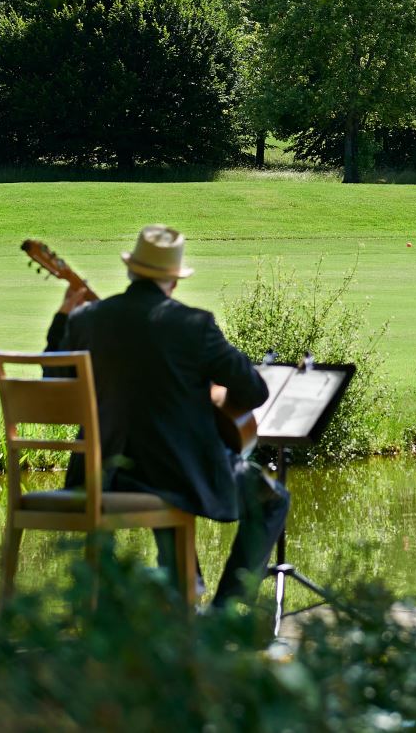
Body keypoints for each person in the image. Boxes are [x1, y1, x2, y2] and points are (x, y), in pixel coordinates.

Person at [45, 224, 290, 607]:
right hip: (174, 476)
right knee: (272, 499)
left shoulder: (85, 320)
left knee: (162, 468)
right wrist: (214, 388)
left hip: (98, 476)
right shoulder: (194, 325)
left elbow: (54, 381)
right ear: (173, 281)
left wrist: (62, 317)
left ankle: (181, 593)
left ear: (132, 271)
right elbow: (255, 391)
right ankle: (226, 610)